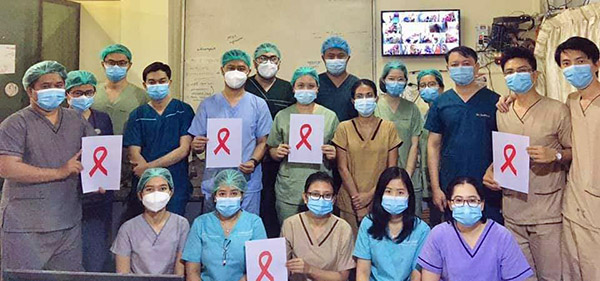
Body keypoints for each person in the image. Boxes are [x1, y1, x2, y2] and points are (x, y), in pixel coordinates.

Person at [497, 36, 600, 280]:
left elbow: (570, 150)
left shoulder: (557, 110)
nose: (573, 68)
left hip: (560, 207)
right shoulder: (573, 101)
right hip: (568, 204)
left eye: (580, 61)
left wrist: (554, 155)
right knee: (574, 266)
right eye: (566, 63)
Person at [482, 47, 572, 281]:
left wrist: (557, 155)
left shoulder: (557, 110)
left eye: (522, 70)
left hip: (547, 213)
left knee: (551, 276)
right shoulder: (503, 110)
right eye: (509, 72)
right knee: (519, 277)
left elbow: (576, 152)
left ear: (535, 75)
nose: (516, 76)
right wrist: (492, 171)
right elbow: (506, 153)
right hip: (513, 210)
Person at [0, 61, 95, 271]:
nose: (54, 90)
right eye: (45, 86)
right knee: (21, 276)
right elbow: (6, 167)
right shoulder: (15, 124)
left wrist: (99, 179)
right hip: (25, 225)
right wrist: (59, 172)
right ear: (30, 90)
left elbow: (95, 153)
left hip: (67, 221)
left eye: (59, 84)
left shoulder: (76, 120)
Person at [189, 49, 272, 215]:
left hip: (247, 181)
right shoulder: (208, 105)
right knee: (213, 229)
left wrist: (254, 161)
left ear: (249, 71)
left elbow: (263, 141)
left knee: (246, 228)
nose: (235, 72)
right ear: (222, 70)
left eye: (241, 68)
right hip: (215, 181)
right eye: (230, 67)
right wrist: (197, 145)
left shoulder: (258, 104)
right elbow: (196, 142)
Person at [425, 46, 502, 225]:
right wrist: (436, 188)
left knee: (489, 235)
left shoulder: (494, 101)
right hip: (451, 184)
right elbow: (433, 145)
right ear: (448, 69)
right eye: (455, 64)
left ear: (476, 67)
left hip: (488, 185)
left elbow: (505, 145)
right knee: (455, 235)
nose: (461, 68)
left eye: (466, 64)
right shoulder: (441, 103)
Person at [417, 177, 533, 281]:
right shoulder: (439, 234)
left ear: (482, 204)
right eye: (458, 200)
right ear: (450, 204)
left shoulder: (501, 236)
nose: (465, 206)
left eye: (472, 200)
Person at [267, 66, 339, 223]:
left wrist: (334, 153)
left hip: (321, 186)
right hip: (290, 187)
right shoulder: (283, 116)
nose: (306, 90)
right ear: (293, 88)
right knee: (289, 233)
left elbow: (339, 152)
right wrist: (277, 152)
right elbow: (271, 148)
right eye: (300, 85)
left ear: (317, 89)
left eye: (311, 86)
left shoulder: (330, 116)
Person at [123, 62, 194, 217]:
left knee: (174, 229)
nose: (157, 85)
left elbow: (183, 150)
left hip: (176, 182)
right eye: (152, 82)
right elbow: (134, 152)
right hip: (145, 185)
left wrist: (149, 168)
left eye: (162, 81)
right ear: (144, 84)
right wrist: (149, 176)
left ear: (170, 82)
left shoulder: (183, 110)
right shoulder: (138, 115)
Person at [332, 79, 402, 234]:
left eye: (369, 95)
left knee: (378, 247)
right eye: (360, 96)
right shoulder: (344, 128)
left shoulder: (388, 127)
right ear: (353, 101)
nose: (365, 100)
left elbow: (391, 169)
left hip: (381, 197)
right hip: (350, 200)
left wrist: (370, 195)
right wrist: (358, 201)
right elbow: (342, 168)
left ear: (376, 98)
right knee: (351, 249)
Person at [65, 70, 114, 272]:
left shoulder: (102, 119)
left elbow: (109, 153)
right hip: (66, 195)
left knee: (95, 253)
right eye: (77, 93)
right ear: (67, 94)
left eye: (88, 92)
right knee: (68, 254)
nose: (83, 97)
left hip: (98, 198)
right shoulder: (60, 119)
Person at [245, 42, 295, 238]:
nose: (268, 62)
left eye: (273, 58)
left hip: (280, 159)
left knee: (273, 209)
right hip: (249, 159)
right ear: (254, 62)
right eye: (262, 58)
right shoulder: (244, 86)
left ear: (279, 63)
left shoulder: (287, 88)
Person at [183, 169, 267, 281]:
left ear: (242, 195)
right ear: (215, 196)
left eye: (234, 193)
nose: (228, 198)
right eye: (222, 193)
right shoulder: (201, 223)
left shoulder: (254, 222)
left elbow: (259, 267)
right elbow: (192, 271)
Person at [354, 167, 430, 281]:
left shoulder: (421, 229)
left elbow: (417, 274)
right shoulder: (368, 223)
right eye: (388, 191)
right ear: (380, 194)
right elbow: (363, 272)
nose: (394, 197)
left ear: (409, 195)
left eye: (400, 192)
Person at [111, 168, 189, 276]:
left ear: (170, 193)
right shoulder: (128, 228)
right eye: (149, 189)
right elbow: (122, 275)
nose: (156, 194)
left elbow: (179, 274)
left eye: (162, 188)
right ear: (140, 195)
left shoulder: (181, 225)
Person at [281, 172, 355, 281]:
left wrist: (310, 270)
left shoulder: (343, 228)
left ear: (333, 200)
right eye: (315, 194)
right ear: (305, 197)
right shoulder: (290, 224)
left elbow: (342, 277)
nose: (321, 199)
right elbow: (282, 267)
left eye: (327, 195)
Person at [374, 61, 422, 198]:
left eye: (400, 79)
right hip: (380, 172)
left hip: (409, 172)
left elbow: (414, 145)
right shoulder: (375, 106)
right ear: (383, 80)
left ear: (406, 81)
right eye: (391, 79)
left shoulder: (412, 109)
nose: (396, 82)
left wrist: (406, 174)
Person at [92, 44, 148, 135]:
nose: (116, 67)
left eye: (122, 63)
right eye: (111, 62)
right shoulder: (92, 92)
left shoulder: (141, 96)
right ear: (103, 64)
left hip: (127, 147)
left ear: (129, 65)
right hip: (96, 147)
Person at [415, 69, 445, 220]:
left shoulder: (447, 111)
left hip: (444, 176)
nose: (427, 88)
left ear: (441, 87)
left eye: (432, 84)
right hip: (428, 179)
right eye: (423, 85)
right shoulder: (424, 115)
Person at [315, 36, 360, 122]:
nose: (336, 60)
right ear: (323, 58)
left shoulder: (356, 84)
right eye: (331, 56)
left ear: (348, 58)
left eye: (341, 56)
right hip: (322, 133)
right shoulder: (315, 83)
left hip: (349, 134)